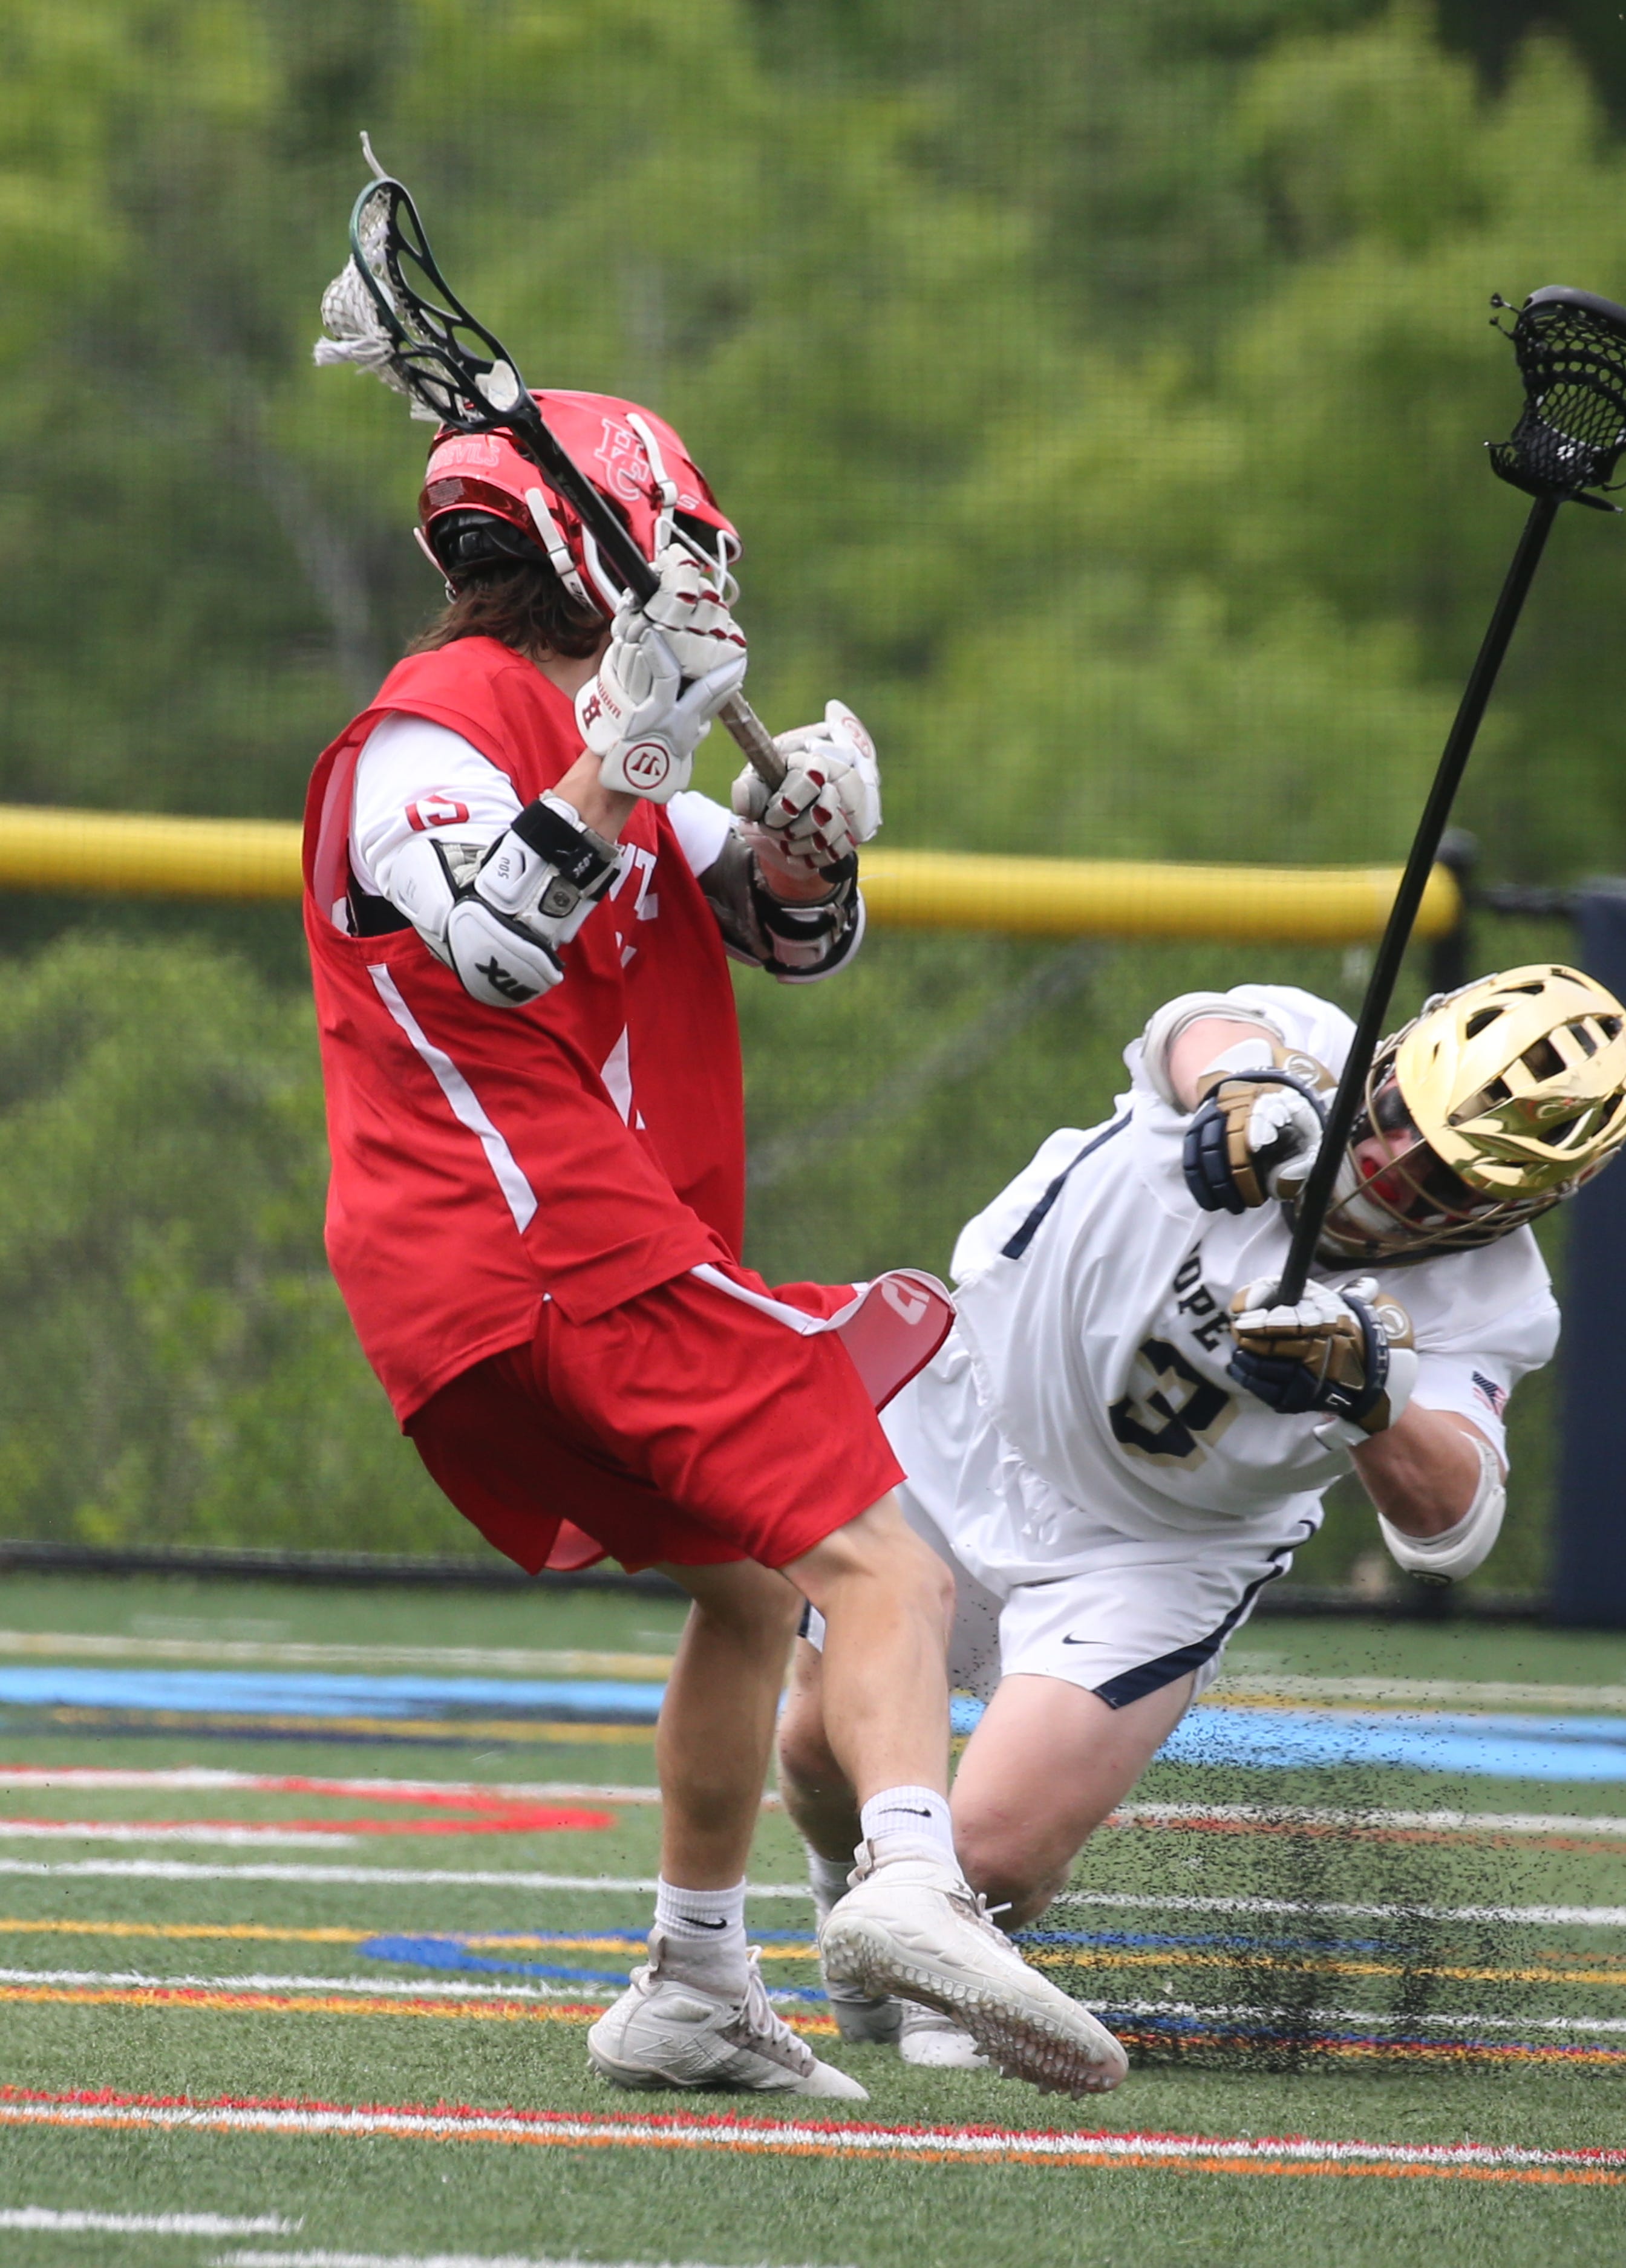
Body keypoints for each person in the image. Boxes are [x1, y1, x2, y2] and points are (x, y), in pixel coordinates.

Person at [299, 388, 1125, 2100]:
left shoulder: (579, 719)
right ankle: (912, 1876)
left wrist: (808, 842)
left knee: (754, 1596)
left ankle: (690, 1977)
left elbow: (770, 929)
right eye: (680, 552)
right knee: (886, 1564)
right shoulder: (431, 730)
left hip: (522, 1261)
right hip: (540, 1247)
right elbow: (502, 943)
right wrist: (636, 746)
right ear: (600, 549)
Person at [779, 966, 1626, 2065]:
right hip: (968, 1407)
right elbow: (1192, 1027)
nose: (1385, 1168)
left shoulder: (1496, 1301)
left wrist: (1372, 1392)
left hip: (1154, 1547)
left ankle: (953, 1928)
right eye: (1391, 1123)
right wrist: (1249, 1091)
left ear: (1510, 1210)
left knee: (989, 1851)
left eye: (1437, 1179)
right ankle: (848, 1904)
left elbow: (1453, 1525)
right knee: (814, 1749)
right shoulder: (1300, 1045)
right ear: (1391, 1062)